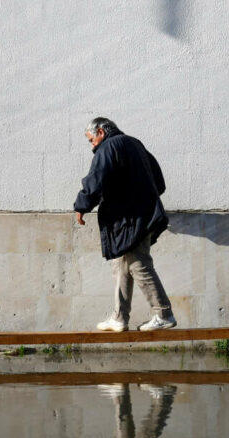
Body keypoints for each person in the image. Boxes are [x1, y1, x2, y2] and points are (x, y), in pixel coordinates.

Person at [73, 118, 177, 332]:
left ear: (101, 132)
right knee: (121, 265)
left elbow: (96, 179)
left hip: (130, 219)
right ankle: (119, 318)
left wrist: (82, 205)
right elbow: (159, 180)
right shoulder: (134, 144)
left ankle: (163, 313)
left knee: (139, 263)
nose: (92, 145)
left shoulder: (109, 146)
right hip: (139, 215)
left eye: (91, 140)